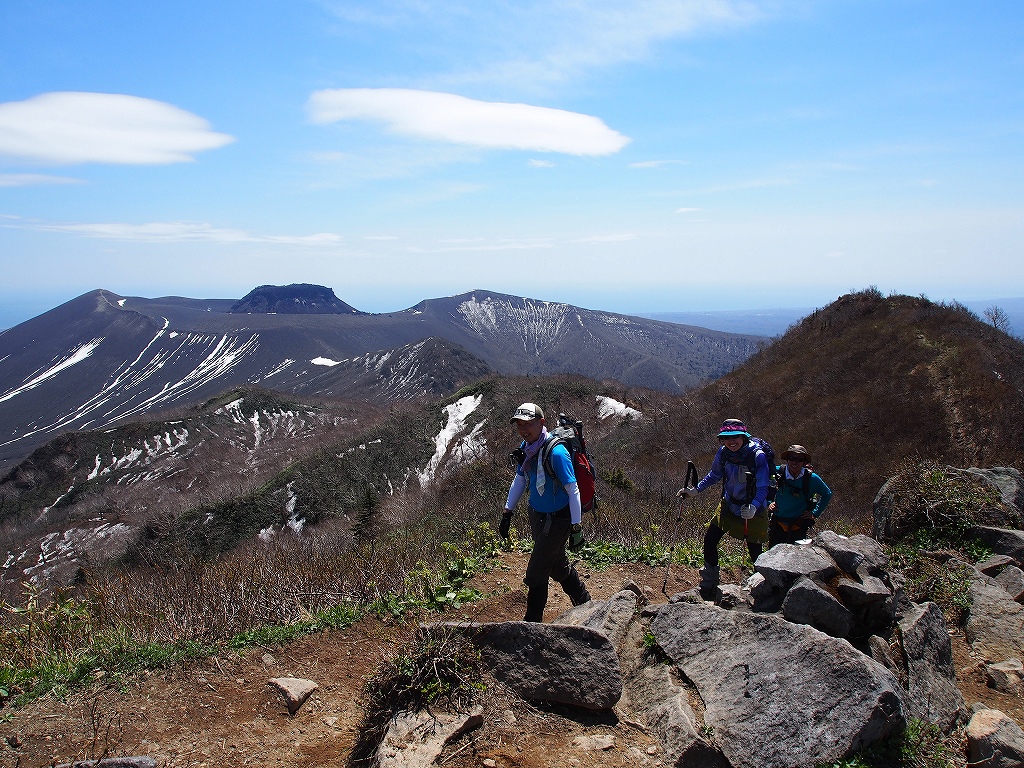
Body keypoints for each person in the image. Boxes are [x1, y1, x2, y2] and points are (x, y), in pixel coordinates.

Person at [500, 402, 591, 622]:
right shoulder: (527, 447)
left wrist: (576, 527)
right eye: (519, 424)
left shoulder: (557, 453)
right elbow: (520, 479)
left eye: (528, 423)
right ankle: (585, 602)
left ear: (541, 423)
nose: (523, 429)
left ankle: (532, 623)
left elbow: (573, 489)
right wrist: (507, 513)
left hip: (558, 519)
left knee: (536, 571)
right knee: (557, 565)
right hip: (537, 515)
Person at [679, 419, 771, 596]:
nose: (731, 441)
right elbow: (715, 475)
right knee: (710, 539)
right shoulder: (723, 453)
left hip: (752, 508)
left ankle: (762, 585)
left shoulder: (757, 455)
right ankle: (710, 581)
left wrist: (754, 506)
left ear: (743, 436)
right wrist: (695, 490)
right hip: (729, 504)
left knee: (755, 549)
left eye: (735, 436)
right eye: (726, 438)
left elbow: (763, 486)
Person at [768, 445, 832, 548]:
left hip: (798, 525)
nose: (794, 462)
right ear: (787, 460)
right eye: (791, 458)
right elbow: (763, 484)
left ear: (804, 462)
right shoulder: (778, 472)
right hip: (778, 524)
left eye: (799, 459)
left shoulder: (812, 479)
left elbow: (827, 494)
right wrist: (769, 502)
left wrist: (814, 513)